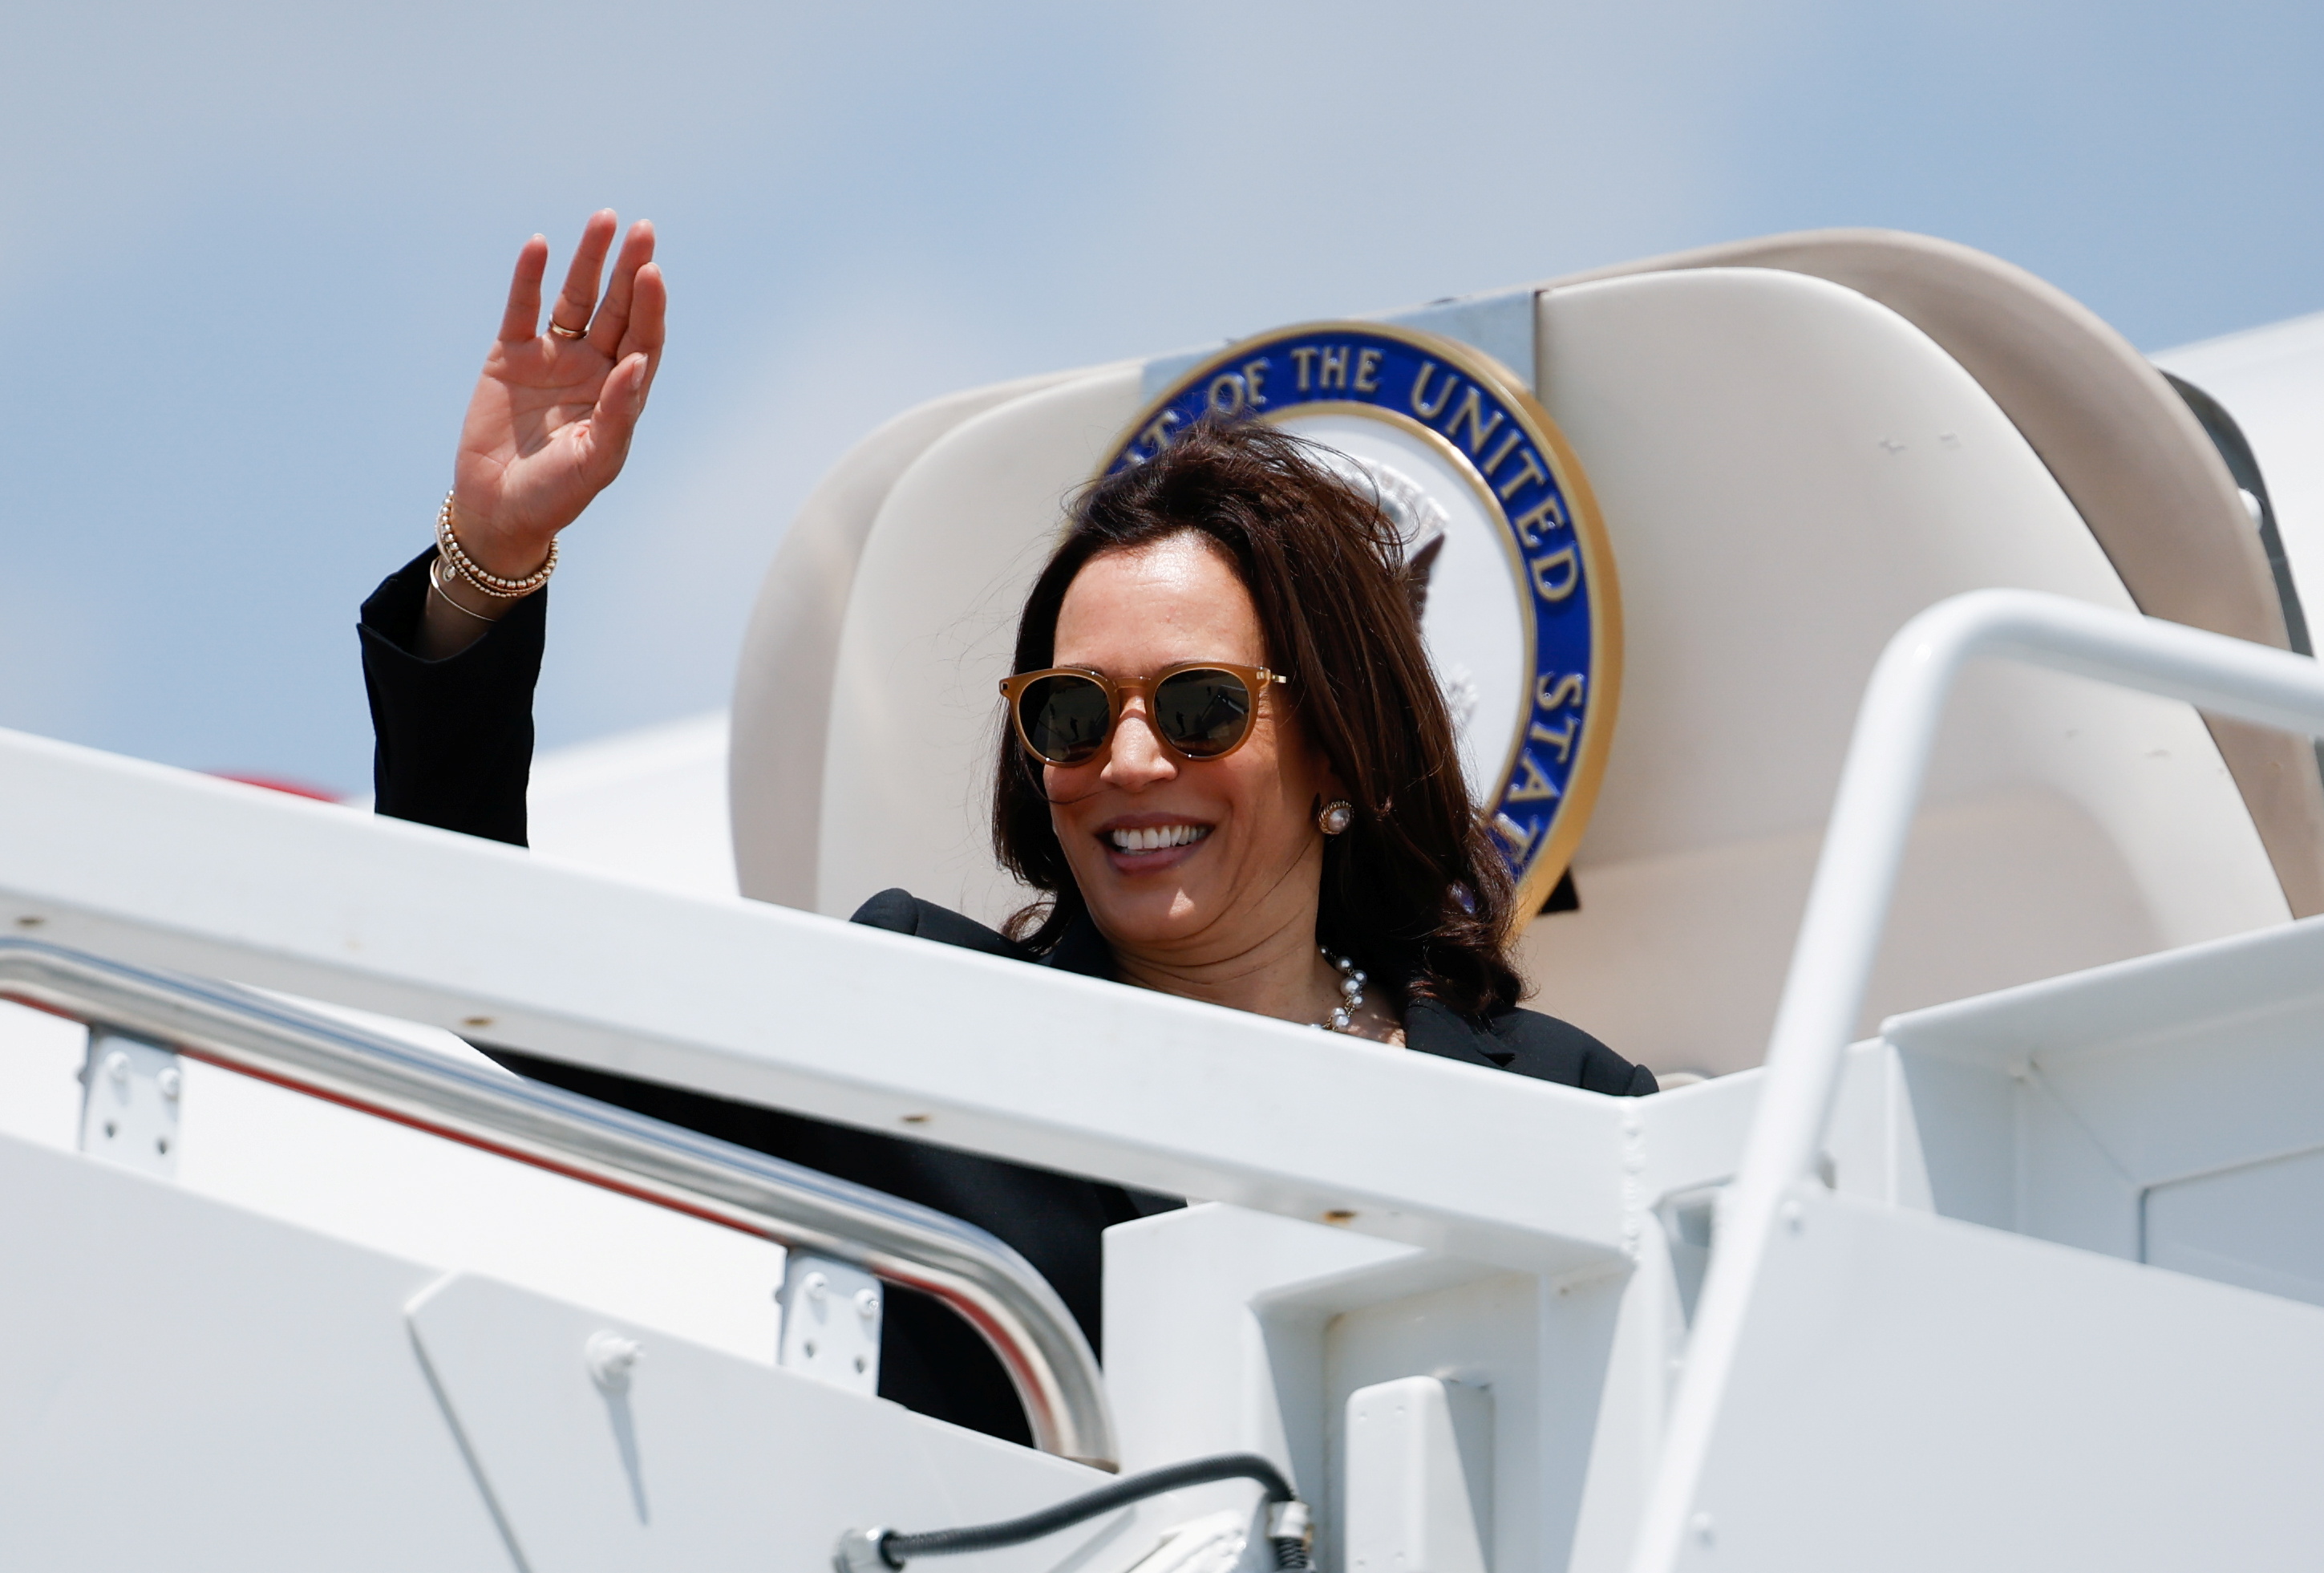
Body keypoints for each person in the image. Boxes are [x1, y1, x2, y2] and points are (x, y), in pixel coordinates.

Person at [359, 213, 1654, 1445]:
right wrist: (491, 556)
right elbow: (498, 967)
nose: (1130, 759)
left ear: (1332, 744)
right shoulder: (923, 1030)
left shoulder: (1562, 1101)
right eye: (1073, 711)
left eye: (1199, 708)